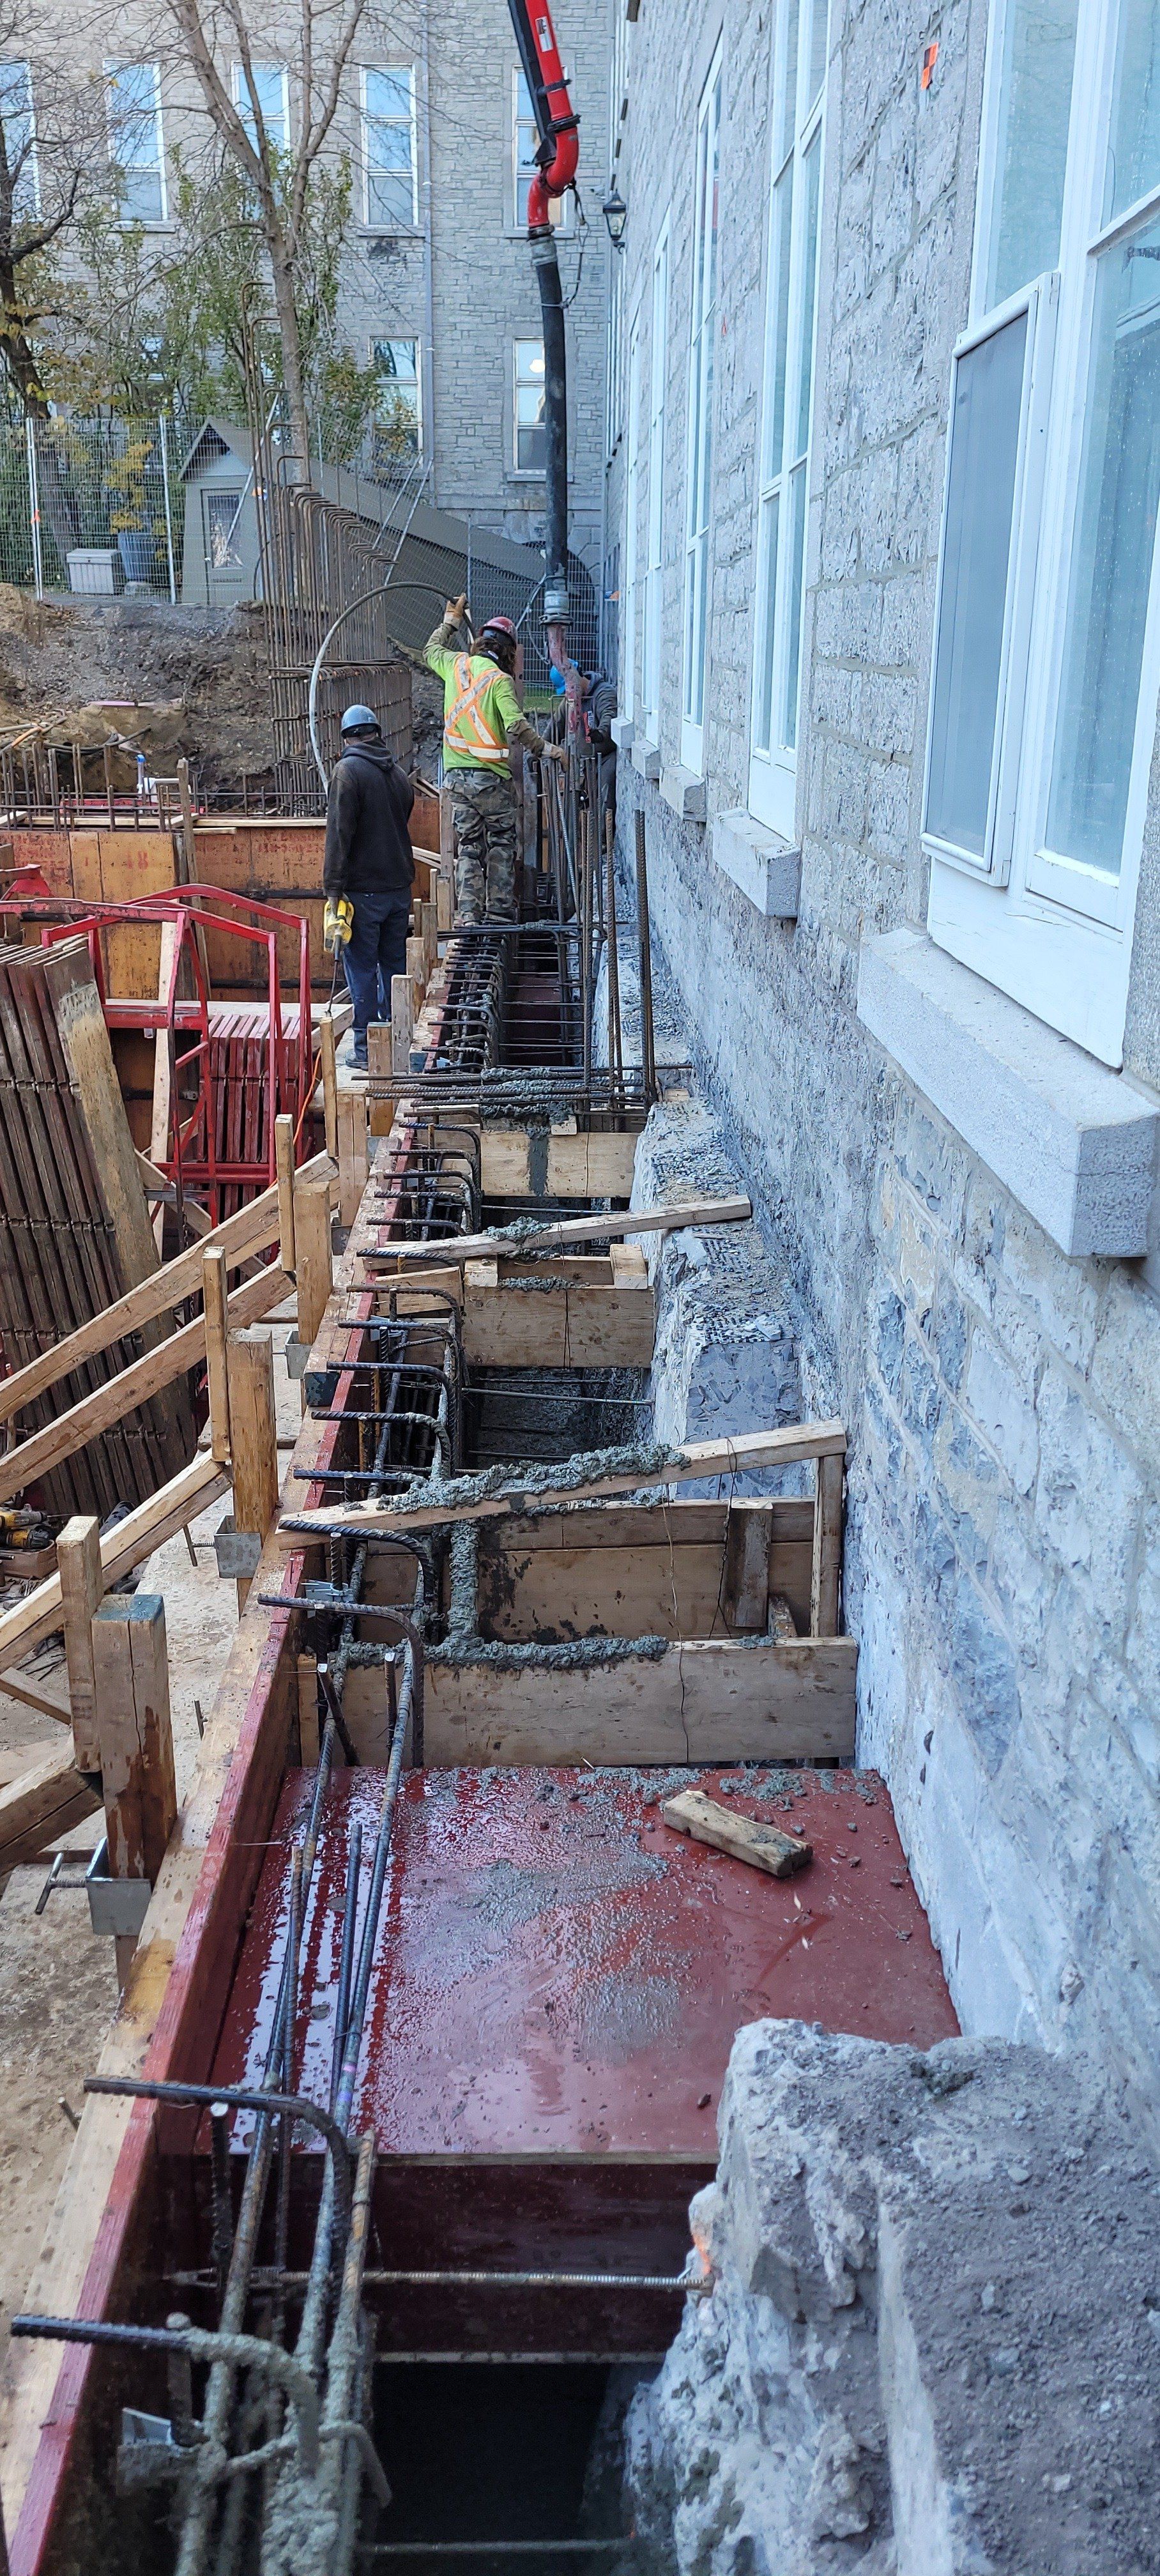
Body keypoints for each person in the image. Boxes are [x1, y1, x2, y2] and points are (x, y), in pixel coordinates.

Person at [425, 594, 565, 924]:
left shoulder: (456, 665)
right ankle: (499, 911)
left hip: (456, 780)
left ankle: (470, 915)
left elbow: (431, 650)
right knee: (501, 841)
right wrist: (549, 750)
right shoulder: (500, 682)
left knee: (470, 845)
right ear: (509, 653)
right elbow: (517, 726)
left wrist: (449, 623)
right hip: (490, 780)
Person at [323, 703, 415, 1073]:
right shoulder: (398, 775)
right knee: (393, 966)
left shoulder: (348, 772)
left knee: (361, 968)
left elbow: (338, 834)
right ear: (377, 733)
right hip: (398, 891)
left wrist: (333, 887)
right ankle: (394, 1041)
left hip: (364, 893)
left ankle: (364, 1048)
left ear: (346, 738)